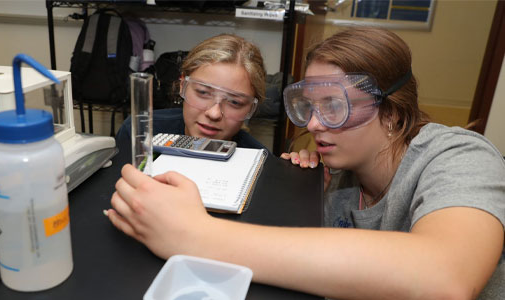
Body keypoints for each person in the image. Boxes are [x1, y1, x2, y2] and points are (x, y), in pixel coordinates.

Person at [106, 27, 505, 299]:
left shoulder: (460, 155)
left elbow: (447, 278)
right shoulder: (332, 179)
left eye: (334, 106)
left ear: (392, 109)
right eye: (309, 107)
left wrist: (195, 235)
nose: (314, 124)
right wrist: (308, 191)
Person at [114, 33, 268, 166]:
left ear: (250, 108)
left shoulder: (258, 160)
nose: (214, 114)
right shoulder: (140, 131)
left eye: (235, 102)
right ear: (182, 85)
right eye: (203, 92)